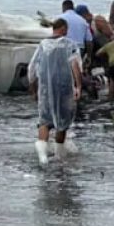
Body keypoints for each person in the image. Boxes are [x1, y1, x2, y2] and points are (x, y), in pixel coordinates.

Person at [27, 18, 83, 165]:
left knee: (44, 121)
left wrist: (33, 87)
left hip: (45, 88)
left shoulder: (43, 44)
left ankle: (43, 157)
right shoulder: (70, 44)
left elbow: (31, 69)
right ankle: (59, 156)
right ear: (64, 29)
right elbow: (76, 66)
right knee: (62, 122)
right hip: (64, 88)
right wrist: (78, 86)